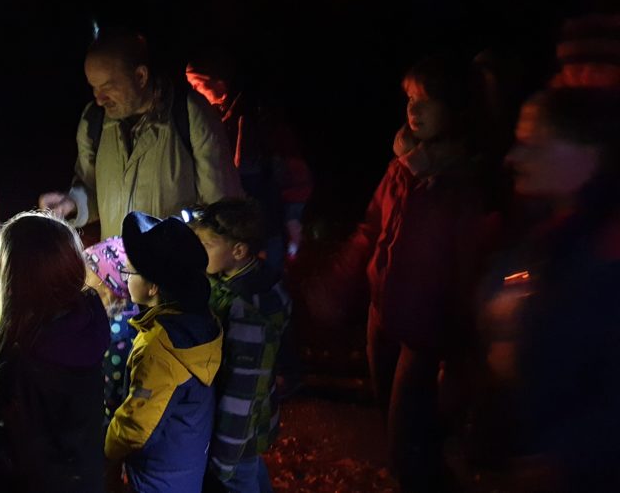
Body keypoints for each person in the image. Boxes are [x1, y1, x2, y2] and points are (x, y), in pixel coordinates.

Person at [306, 57, 486, 492]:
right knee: (393, 421)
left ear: (456, 109)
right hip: (382, 314)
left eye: (427, 100)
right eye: (410, 99)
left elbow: (470, 266)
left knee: (410, 441)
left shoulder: (466, 182)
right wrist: (338, 281)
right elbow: (371, 229)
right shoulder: (401, 168)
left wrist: (464, 349)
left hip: (427, 331)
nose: (414, 110)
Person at [478, 88, 620, 491]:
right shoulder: (550, 234)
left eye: (533, 145)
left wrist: (561, 458)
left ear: (590, 154)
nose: (512, 158)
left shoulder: (608, 251)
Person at [39, 28, 242, 240]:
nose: (99, 99)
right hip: (117, 272)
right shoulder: (94, 120)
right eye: (94, 88)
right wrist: (71, 204)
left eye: (107, 87)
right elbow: (91, 186)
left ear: (140, 76)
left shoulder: (190, 114)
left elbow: (222, 209)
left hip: (175, 271)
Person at [0, 212, 110, 493]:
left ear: (17, 279)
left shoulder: (27, 359)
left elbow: (18, 455)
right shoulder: (88, 327)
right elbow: (58, 422)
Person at [105, 211, 223, 493]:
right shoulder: (199, 322)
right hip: (183, 465)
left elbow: (136, 428)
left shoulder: (161, 347)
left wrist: (105, 445)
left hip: (154, 480)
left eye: (129, 271)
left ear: (153, 286)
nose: (124, 277)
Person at [187, 199, 290, 493]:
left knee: (240, 480)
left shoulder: (247, 316)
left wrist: (223, 460)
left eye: (206, 245)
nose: (199, 251)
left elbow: (241, 393)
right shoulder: (245, 282)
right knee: (252, 471)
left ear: (238, 250)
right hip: (251, 428)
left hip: (237, 434)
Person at [185, 50, 312, 263]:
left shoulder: (251, 117)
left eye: (198, 83)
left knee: (264, 275)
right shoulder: (219, 117)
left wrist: (292, 218)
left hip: (262, 220)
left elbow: (287, 171)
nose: (194, 90)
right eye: (191, 84)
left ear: (220, 83)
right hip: (246, 222)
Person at [82, 236, 141, 422]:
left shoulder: (116, 337)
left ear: (108, 287)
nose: (80, 282)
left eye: (86, 276)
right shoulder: (126, 312)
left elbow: (111, 397)